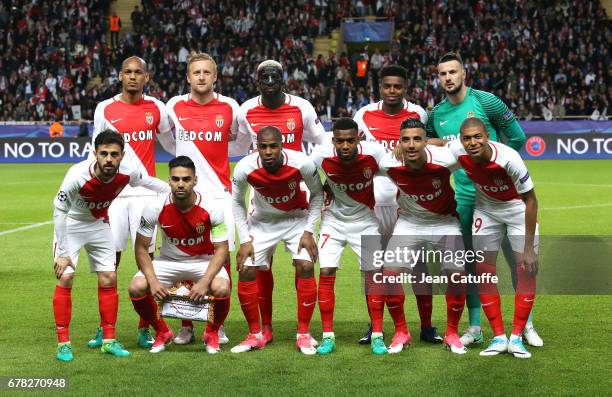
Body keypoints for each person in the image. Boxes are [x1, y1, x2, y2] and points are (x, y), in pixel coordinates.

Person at [426, 52, 542, 348]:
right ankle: (476, 326)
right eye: (443, 74)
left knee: (518, 261)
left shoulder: (486, 101)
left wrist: (490, 167)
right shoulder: (436, 114)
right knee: (475, 265)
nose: (448, 77)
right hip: (466, 201)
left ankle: (525, 325)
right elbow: (435, 148)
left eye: (453, 72)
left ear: (463, 73)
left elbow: (517, 137)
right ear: (438, 78)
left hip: (501, 196)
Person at [52, 130, 169, 361]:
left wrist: (169, 190)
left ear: (122, 156)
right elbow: (60, 211)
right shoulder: (77, 174)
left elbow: (147, 182)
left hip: (98, 224)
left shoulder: (128, 172)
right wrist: (63, 253)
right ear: (95, 153)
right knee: (65, 276)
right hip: (72, 225)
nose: (108, 159)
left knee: (109, 277)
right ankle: (63, 344)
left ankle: (108, 340)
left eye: (114, 154)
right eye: (103, 153)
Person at [235, 60, 326, 346]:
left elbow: (321, 142)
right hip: (262, 197)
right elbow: (239, 146)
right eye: (265, 77)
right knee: (257, 266)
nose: (271, 81)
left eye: (276, 76)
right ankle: (264, 330)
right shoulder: (246, 109)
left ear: (284, 79)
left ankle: (303, 333)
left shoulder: (302, 106)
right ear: (257, 80)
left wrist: (313, 172)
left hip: (296, 191)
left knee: (303, 263)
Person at [87, 56, 175, 350]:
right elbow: (95, 151)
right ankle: (105, 328)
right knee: (109, 260)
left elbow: (173, 143)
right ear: (120, 76)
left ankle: (145, 327)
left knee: (146, 261)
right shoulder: (105, 108)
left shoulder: (157, 108)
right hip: (114, 196)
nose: (133, 77)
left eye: (138, 72)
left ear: (146, 77)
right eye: (128, 72)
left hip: (145, 195)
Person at [354, 65, 439, 345]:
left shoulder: (418, 114)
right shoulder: (363, 115)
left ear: (406, 88)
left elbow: (430, 148)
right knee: (373, 267)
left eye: (398, 87)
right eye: (387, 86)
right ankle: (375, 326)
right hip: (372, 204)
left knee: (417, 266)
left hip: (408, 205)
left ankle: (426, 326)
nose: (392, 91)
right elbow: (354, 155)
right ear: (380, 88)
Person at [166, 52, 246, 346]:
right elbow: (166, 139)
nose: (201, 77)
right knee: (185, 260)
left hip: (220, 195)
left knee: (221, 260)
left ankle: (218, 325)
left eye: (206, 72)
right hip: (185, 196)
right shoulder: (173, 106)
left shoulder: (229, 106)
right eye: (195, 72)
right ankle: (186, 325)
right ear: (188, 77)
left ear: (215, 77)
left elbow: (241, 140)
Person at [448, 117, 539, 359]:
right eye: (467, 138)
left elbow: (531, 200)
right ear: (461, 140)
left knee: (526, 269)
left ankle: (518, 336)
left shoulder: (509, 158)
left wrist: (529, 248)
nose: (472, 142)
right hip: (486, 210)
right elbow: (436, 148)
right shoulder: (458, 152)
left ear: (487, 136)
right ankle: (499, 337)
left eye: (477, 136)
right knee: (483, 270)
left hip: (517, 209)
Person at [231, 126, 323, 355]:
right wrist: (244, 240)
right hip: (262, 221)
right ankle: (257, 333)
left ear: (282, 146)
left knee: (305, 265)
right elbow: (236, 202)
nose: (269, 151)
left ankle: (304, 334)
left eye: (273, 146)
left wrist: (309, 231)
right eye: (263, 147)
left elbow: (318, 193)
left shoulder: (302, 163)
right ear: (256, 147)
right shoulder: (245, 167)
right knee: (246, 269)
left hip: (296, 218)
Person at [380, 118, 468, 354]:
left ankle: (452, 334)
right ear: (398, 142)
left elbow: (476, 146)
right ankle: (401, 332)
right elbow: (355, 167)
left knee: (457, 275)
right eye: (406, 140)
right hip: (409, 223)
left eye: (417, 139)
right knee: (389, 274)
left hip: (445, 223)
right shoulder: (388, 162)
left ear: (425, 142)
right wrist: (327, 188)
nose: (411, 145)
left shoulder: (445, 158)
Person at [128, 156, 231, 354]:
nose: (180, 184)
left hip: (202, 260)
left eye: (186, 179)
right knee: (136, 287)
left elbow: (221, 249)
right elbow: (141, 248)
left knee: (221, 287)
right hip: (168, 261)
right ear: (169, 180)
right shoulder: (154, 207)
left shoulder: (211, 207)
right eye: (176, 179)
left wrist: (203, 283)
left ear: (195, 180)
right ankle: (163, 332)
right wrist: (154, 282)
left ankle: (212, 333)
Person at [309, 117, 390, 355]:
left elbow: (399, 172)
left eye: (350, 141)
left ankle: (377, 335)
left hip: (366, 222)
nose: (345, 146)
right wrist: (319, 187)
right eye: (340, 141)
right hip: (333, 223)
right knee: (326, 271)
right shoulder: (322, 154)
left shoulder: (374, 153)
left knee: (373, 274)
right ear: (333, 140)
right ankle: (327, 336)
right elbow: (300, 173)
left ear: (359, 139)